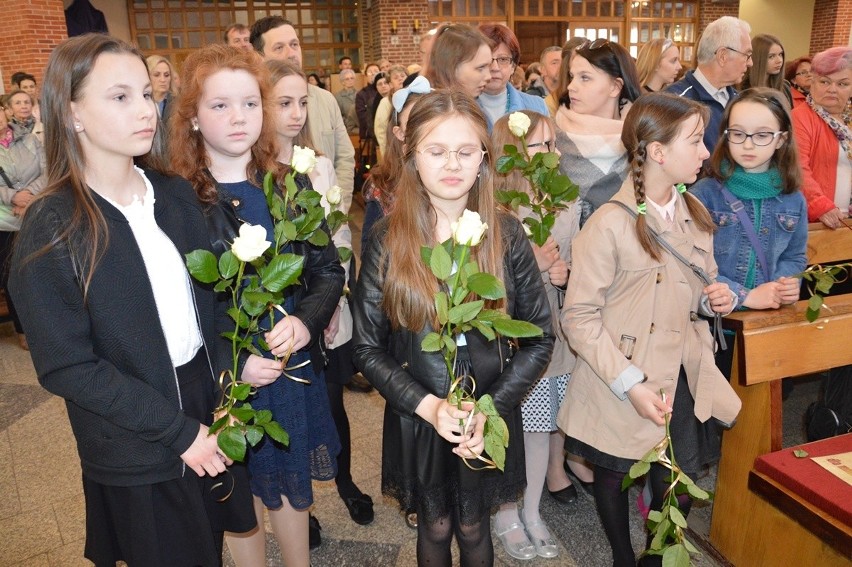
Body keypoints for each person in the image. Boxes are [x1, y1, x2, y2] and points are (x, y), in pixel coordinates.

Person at [9, 33, 256, 566]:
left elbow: (210, 308)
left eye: (146, 93)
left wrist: (229, 389)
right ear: (72, 112)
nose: (145, 109)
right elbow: (68, 365)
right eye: (120, 97)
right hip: (133, 426)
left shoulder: (172, 194)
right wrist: (177, 432)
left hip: (201, 400)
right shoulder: (54, 224)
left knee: (207, 546)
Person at [352, 90, 554, 567]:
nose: (452, 164)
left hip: (486, 411)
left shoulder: (505, 235)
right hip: (418, 411)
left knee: (473, 524)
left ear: (484, 158)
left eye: (466, 151)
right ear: (411, 156)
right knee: (436, 526)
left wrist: (491, 409)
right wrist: (430, 406)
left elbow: (539, 336)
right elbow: (366, 347)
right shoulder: (387, 239)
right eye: (436, 151)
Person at [169, 44, 343, 567]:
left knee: (290, 487)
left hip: (288, 365)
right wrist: (233, 360)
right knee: (238, 494)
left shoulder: (289, 184)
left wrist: (305, 322)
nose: (238, 117)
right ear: (193, 117)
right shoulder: (179, 201)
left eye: (249, 103)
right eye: (219, 105)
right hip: (227, 377)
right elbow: (182, 305)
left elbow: (328, 271)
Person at [558, 92, 741, 567]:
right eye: (695, 141)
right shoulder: (609, 224)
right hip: (623, 374)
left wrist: (710, 299)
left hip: (678, 373)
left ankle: (655, 559)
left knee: (677, 487)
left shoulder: (694, 214)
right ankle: (622, 556)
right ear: (658, 152)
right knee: (615, 476)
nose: (706, 152)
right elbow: (578, 317)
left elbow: (695, 287)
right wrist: (629, 382)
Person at [267, 59, 375, 543]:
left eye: (302, 103)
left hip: (326, 303)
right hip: (277, 313)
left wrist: (332, 302)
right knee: (287, 411)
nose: (296, 114)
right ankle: (300, 507)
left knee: (332, 404)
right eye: (283, 103)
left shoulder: (320, 165)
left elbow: (338, 239)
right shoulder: (252, 173)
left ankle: (346, 480)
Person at [491, 110, 574, 561]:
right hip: (508, 341)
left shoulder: (562, 204)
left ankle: (533, 510)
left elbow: (580, 267)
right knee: (508, 428)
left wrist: (563, 274)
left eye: (554, 145)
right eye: (543, 146)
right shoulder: (493, 211)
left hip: (549, 340)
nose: (553, 154)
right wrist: (533, 267)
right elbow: (484, 283)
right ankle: (505, 513)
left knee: (540, 428)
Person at [691, 87, 807, 375]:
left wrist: (786, 284)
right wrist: (744, 296)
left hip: (767, 322)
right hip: (715, 326)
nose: (748, 145)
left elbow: (795, 255)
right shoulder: (704, 194)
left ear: (782, 139)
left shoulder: (793, 197)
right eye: (738, 133)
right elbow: (692, 262)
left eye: (763, 135)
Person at [250, 16, 355, 222]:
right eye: (279, 47)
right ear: (259, 56)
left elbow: (344, 157)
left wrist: (336, 208)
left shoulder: (326, 99)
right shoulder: (253, 104)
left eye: (294, 44)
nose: (291, 53)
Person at [555, 39, 641, 229]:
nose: (571, 86)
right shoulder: (551, 137)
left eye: (585, 77)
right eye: (572, 76)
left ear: (615, 87)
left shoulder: (642, 138)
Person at [666, 16, 752, 153]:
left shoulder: (741, 101)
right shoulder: (674, 101)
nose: (750, 63)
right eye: (747, 55)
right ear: (723, 56)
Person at [0, 100, 46, 351]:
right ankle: (23, 329)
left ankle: (50, 326)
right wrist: (12, 197)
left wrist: (27, 195)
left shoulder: (29, 140)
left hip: (34, 213)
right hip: (5, 223)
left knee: (42, 272)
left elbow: (48, 171)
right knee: (13, 277)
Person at [791, 46, 852, 228]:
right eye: (825, 82)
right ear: (813, 82)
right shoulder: (799, 117)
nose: (833, 89)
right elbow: (797, 167)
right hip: (818, 222)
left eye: (842, 84)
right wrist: (820, 206)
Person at [477, 24, 548, 129]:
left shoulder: (536, 107)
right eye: (488, 59)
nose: (495, 67)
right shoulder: (459, 107)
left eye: (503, 59)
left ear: (513, 66)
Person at [425, 24, 492, 99]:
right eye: (481, 67)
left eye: (489, 66)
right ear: (451, 67)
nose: (489, 76)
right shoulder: (429, 108)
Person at [740, 34, 792, 106]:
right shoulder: (742, 88)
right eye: (771, 56)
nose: (779, 60)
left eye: (780, 54)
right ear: (758, 58)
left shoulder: (785, 86)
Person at [374, 64, 408, 158]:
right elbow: (380, 130)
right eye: (396, 77)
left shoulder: (413, 99)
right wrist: (385, 153)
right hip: (393, 150)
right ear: (390, 84)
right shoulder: (385, 102)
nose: (400, 79)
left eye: (403, 76)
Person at [146, 55, 177, 121]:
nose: (163, 80)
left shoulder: (179, 103)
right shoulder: (140, 103)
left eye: (166, 75)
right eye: (156, 75)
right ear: (147, 76)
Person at [356, 62, 381, 139]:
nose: (373, 74)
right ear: (366, 76)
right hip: (369, 134)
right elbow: (362, 117)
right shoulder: (361, 94)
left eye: (376, 71)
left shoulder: (385, 91)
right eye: (370, 72)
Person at [334, 68, 359, 135]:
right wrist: (347, 122)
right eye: (347, 79)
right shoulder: (338, 97)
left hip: (360, 126)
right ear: (342, 82)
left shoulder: (360, 94)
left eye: (352, 78)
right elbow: (337, 116)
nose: (350, 80)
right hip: (347, 128)